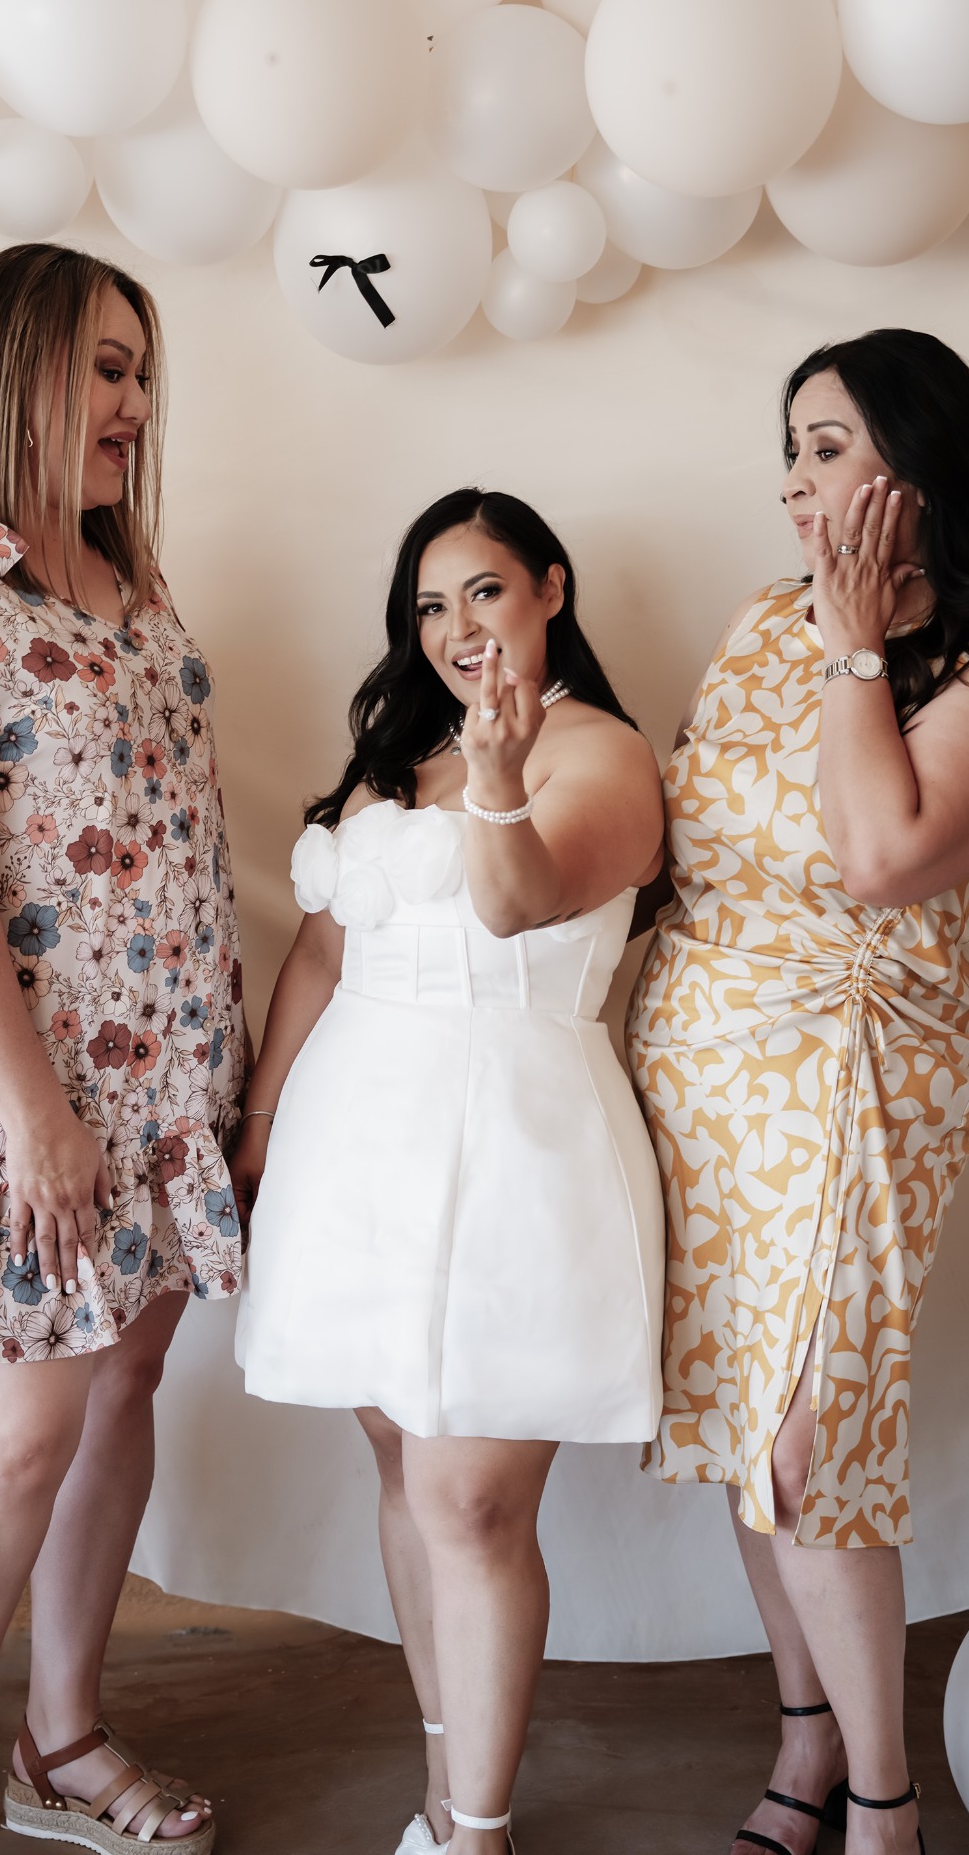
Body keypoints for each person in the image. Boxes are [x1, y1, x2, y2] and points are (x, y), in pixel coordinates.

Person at [626, 329, 969, 1855]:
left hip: (858, 1075)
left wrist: (854, 644)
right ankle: (804, 1742)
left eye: (825, 449)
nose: (791, 483)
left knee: (809, 1444)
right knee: (741, 1430)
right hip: (700, 1065)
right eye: (789, 451)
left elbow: (882, 857)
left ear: (917, 462)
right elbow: (690, 837)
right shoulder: (760, 620)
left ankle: (884, 1805)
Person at [0, 242, 246, 1855]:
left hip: (165, 1093)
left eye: (143, 371)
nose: (135, 403)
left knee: (121, 1388)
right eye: (105, 367)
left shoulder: (123, 573)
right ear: (14, 368)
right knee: (8, 1447)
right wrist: (36, 1118)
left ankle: (60, 1742)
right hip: (30, 1104)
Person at [232, 489, 666, 1853]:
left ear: (550, 588)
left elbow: (513, 902)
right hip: (357, 1142)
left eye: (483, 590)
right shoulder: (396, 754)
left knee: (471, 1499)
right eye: (429, 605)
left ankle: (478, 1832)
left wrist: (498, 781)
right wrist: (260, 1124)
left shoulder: (605, 756)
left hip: (515, 1142)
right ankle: (443, 1775)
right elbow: (322, 950)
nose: (456, 627)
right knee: (399, 1460)